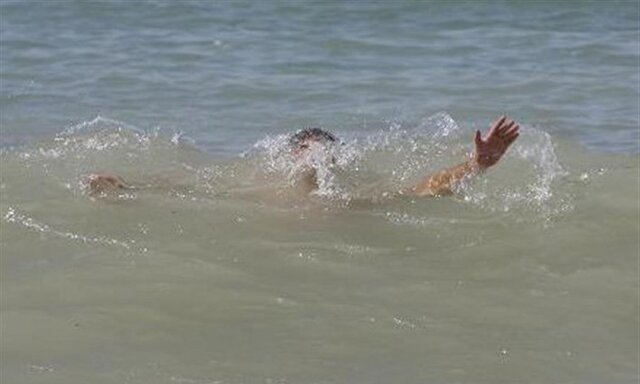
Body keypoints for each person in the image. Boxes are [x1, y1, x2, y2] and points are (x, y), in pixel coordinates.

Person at [86, 116, 519, 199]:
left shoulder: (349, 199)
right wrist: (126, 188)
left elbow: (421, 190)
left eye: (323, 146)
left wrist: (478, 165)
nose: (315, 151)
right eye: (306, 146)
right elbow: (191, 190)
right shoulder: (257, 189)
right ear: (290, 155)